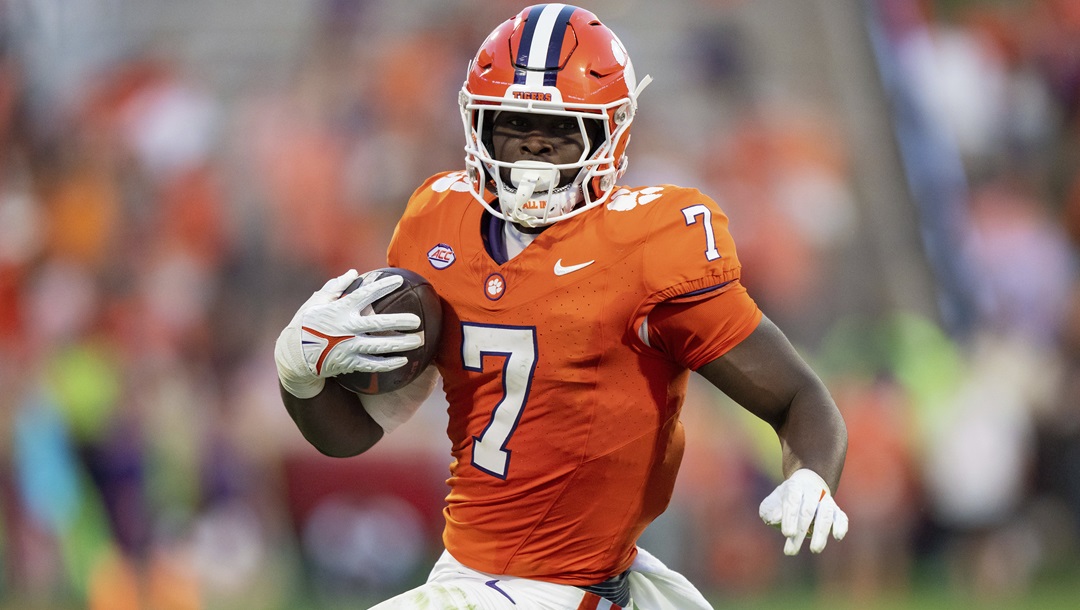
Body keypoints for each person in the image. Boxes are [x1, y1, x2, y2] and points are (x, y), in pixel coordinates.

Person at [273, 4, 849, 609]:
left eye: (560, 128)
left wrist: (811, 475)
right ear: (477, 123)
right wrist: (299, 373)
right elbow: (354, 433)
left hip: (570, 589)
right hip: (467, 577)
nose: (532, 148)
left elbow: (796, 396)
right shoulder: (437, 224)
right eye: (513, 123)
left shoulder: (650, 243)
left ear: (612, 131)